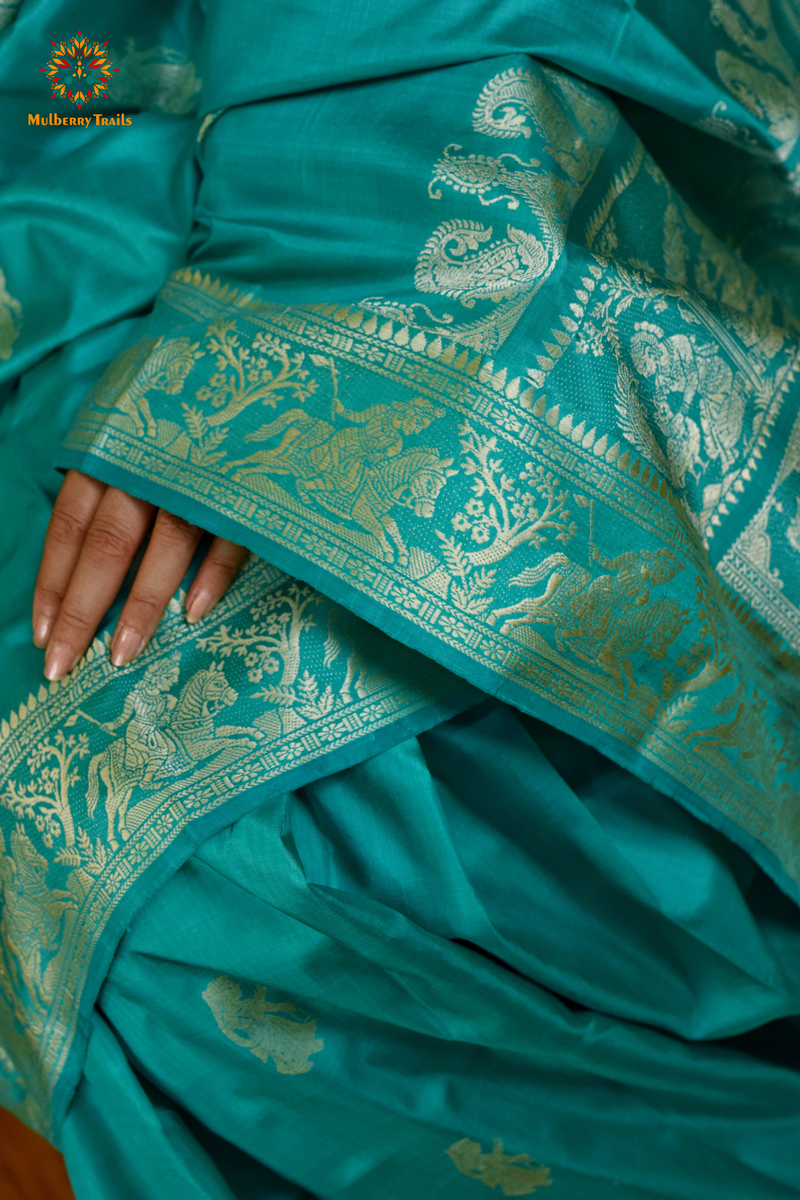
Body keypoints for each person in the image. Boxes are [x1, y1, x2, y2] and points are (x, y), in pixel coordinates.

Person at [2, 1, 800, 1197]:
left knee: (276, 831)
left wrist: (282, 254)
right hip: (62, 168)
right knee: (74, 844)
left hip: (372, 82)